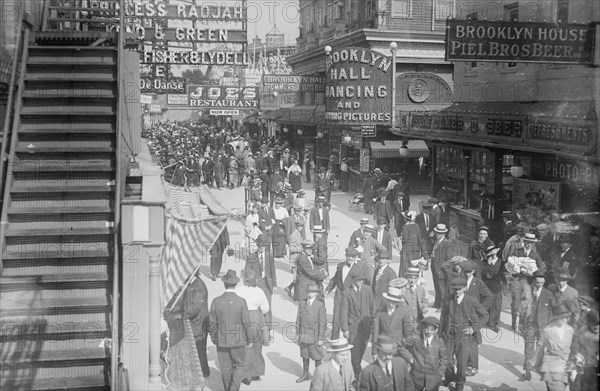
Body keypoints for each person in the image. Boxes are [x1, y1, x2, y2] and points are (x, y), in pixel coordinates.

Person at [439, 277, 489, 391]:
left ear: (465, 288)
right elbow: (442, 318)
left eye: (459, 289)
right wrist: (439, 335)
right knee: (447, 360)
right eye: (455, 289)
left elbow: (485, 315)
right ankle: (449, 377)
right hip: (449, 336)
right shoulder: (447, 300)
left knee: (462, 362)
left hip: (464, 337)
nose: (457, 291)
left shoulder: (471, 301)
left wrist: (474, 328)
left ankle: (460, 383)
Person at [208, 270, 251, 391]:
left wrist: (214, 338)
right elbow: (246, 322)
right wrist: (250, 338)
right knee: (240, 365)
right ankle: (234, 388)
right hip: (238, 341)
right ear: (235, 284)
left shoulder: (216, 301)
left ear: (224, 284)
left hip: (222, 340)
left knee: (225, 368)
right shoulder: (241, 301)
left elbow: (212, 323)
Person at [340, 270, 377, 380]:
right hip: (353, 328)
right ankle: (358, 376)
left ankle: (355, 373)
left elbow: (372, 307)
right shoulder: (346, 292)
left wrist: (373, 323)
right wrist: (345, 329)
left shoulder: (368, 289)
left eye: (362, 280)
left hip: (365, 326)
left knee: (361, 351)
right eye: (358, 280)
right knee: (355, 355)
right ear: (353, 280)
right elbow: (343, 312)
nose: (360, 282)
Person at [529, 305, 575, 391]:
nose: (565, 320)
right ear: (556, 318)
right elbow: (540, 347)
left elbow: (574, 347)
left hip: (565, 367)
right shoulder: (548, 330)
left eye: (566, 318)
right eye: (562, 318)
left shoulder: (570, 330)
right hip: (551, 366)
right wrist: (532, 362)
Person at [519, 270, 553, 381]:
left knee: (541, 348)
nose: (539, 285)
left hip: (543, 326)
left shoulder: (548, 294)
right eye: (537, 282)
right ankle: (528, 371)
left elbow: (551, 312)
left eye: (542, 283)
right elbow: (522, 309)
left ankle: (539, 367)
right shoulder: (527, 292)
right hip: (530, 323)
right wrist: (520, 323)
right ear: (533, 281)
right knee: (528, 347)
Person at [236, 269, 269, 382]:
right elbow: (265, 309)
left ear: (244, 279)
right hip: (255, 317)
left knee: (244, 346)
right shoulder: (259, 291)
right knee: (257, 346)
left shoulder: (238, 290)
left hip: (242, 317)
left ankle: (246, 374)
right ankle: (257, 372)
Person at [326, 247, 366, 340]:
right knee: (336, 318)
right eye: (348, 256)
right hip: (339, 295)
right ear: (345, 256)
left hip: (350, 297)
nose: (350, 258)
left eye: (352, 256)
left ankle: (351, 341)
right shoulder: (340, 266)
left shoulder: (358, 269)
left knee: (351, 318)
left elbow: (360, 285)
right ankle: (334, 340)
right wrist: (328, 290)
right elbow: (335, 279)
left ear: (356, 257)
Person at [462, 261, 493, 377]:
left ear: (473, 272)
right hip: (461, 313)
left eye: (469, 272)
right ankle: (465, 362)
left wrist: (480, 309)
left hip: (473, 315)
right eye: (465, 272)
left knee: (473, 341)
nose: (466, 274)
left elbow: (489, 296)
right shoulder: (460, 281)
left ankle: (473, 366)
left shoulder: (478, 283)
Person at [371, 279, 414, 363]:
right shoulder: (380, 312)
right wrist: (374, 351)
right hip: (383, 347)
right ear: (386, 299)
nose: (391, 304)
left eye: (394, 302)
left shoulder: (404, 312)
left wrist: (402, 344)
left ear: (397, 302)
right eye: (389, 300)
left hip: (398, 348)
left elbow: (409, 333)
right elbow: (375, 333)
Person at [404, 317, 447, 391]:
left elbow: (444, 358)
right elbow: (401, 346)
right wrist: (409, 358)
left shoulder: (439, 341)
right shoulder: (416, 338)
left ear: (436, 330)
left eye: (432, 330)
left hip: (433, 379)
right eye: (427, 328)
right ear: (423, 328)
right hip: (416, 377)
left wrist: (439, 373)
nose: (428, 332)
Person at [296, 284, 327, 383]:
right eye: (309, 291)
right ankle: (305, 374)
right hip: (304, 334)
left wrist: (321, 338)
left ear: (317, 293)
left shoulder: (320, 305)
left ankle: (319, 377)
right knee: (305, 355)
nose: (310, 294)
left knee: (317, 356)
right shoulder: (302, 303)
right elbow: (298, 319)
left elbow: (323, 322)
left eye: (313, 292)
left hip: (315, 335)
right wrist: (298, 333)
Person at [182, 270, 210, 378]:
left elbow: (195, 307)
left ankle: (204, 374)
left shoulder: (198, 286)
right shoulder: (193, 283)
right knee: (198, 350)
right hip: (196, 323)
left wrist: (182, 315)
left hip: (199, 324)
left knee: (200, 349)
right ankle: (203, 372)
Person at [244, 234, 276, 328]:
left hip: (267, 285)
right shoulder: (251, 257)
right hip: (256, 286)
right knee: (256, 307)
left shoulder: (269, 256)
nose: (262, 248)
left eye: (264, 246)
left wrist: (274, 285)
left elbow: (273, 271)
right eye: (260, 246)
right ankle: (257, 328)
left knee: (268, 308)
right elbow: (247, 272)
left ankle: (268, 330)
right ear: (257, 245)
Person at [569, 310, 599, 391]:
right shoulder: (582, 334)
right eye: (594, 324)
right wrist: (577, 355)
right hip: (583, 371)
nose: (597, 327)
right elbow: (574, 348)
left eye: (598, 324)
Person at [430, 224, 459, 308]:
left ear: (443, 234)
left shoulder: (447, 244)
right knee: (436, 286)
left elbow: (449, 259)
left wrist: (444, 269)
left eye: (440, 233)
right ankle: (437, 303)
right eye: (437, 233)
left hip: (441, 269)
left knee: (442, 288)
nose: (437, 234)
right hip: (435, 267)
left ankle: (442, 306)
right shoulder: (437, 241)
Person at [480, 245, 504, 332]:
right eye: (490, 254)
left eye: (493, 253)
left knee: (497, 305)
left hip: (497, 285)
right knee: (487, 303)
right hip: (487, 285)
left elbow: (503, 273)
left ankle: (494, 323)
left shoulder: (501, 262)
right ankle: (486, 321)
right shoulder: (484, 263)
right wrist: (488, 265)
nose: (492, 255)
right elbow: (484, 274)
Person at [399, 211, 426, 279]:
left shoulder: (405, 226)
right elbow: (419, 238)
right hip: (415, 249)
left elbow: (405, 239)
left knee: (405, 267)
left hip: (406, 249)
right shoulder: (416, 225)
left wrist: (400, 238)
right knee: (415, 266)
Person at [284, 219, 305, 299]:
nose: (301, 228)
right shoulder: (293, 235)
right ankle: (291, 289)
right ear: (296, 226)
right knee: (297, 277)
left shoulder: (298, 234)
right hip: (294, 259)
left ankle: (290, 289)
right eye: (299, 226)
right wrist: (301, 249)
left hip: (298, 259)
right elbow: (291, 248)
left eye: (302, 226)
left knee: (298, 277)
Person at [403, 267, 427, 332]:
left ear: (418, 279)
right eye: (410, 278)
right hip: (406, 319)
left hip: (418, 319)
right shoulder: (403, 289)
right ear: (407, 277)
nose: (412, 280)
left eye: (415, 278)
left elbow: (423, 300)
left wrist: (424, 307)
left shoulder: (420, 289)